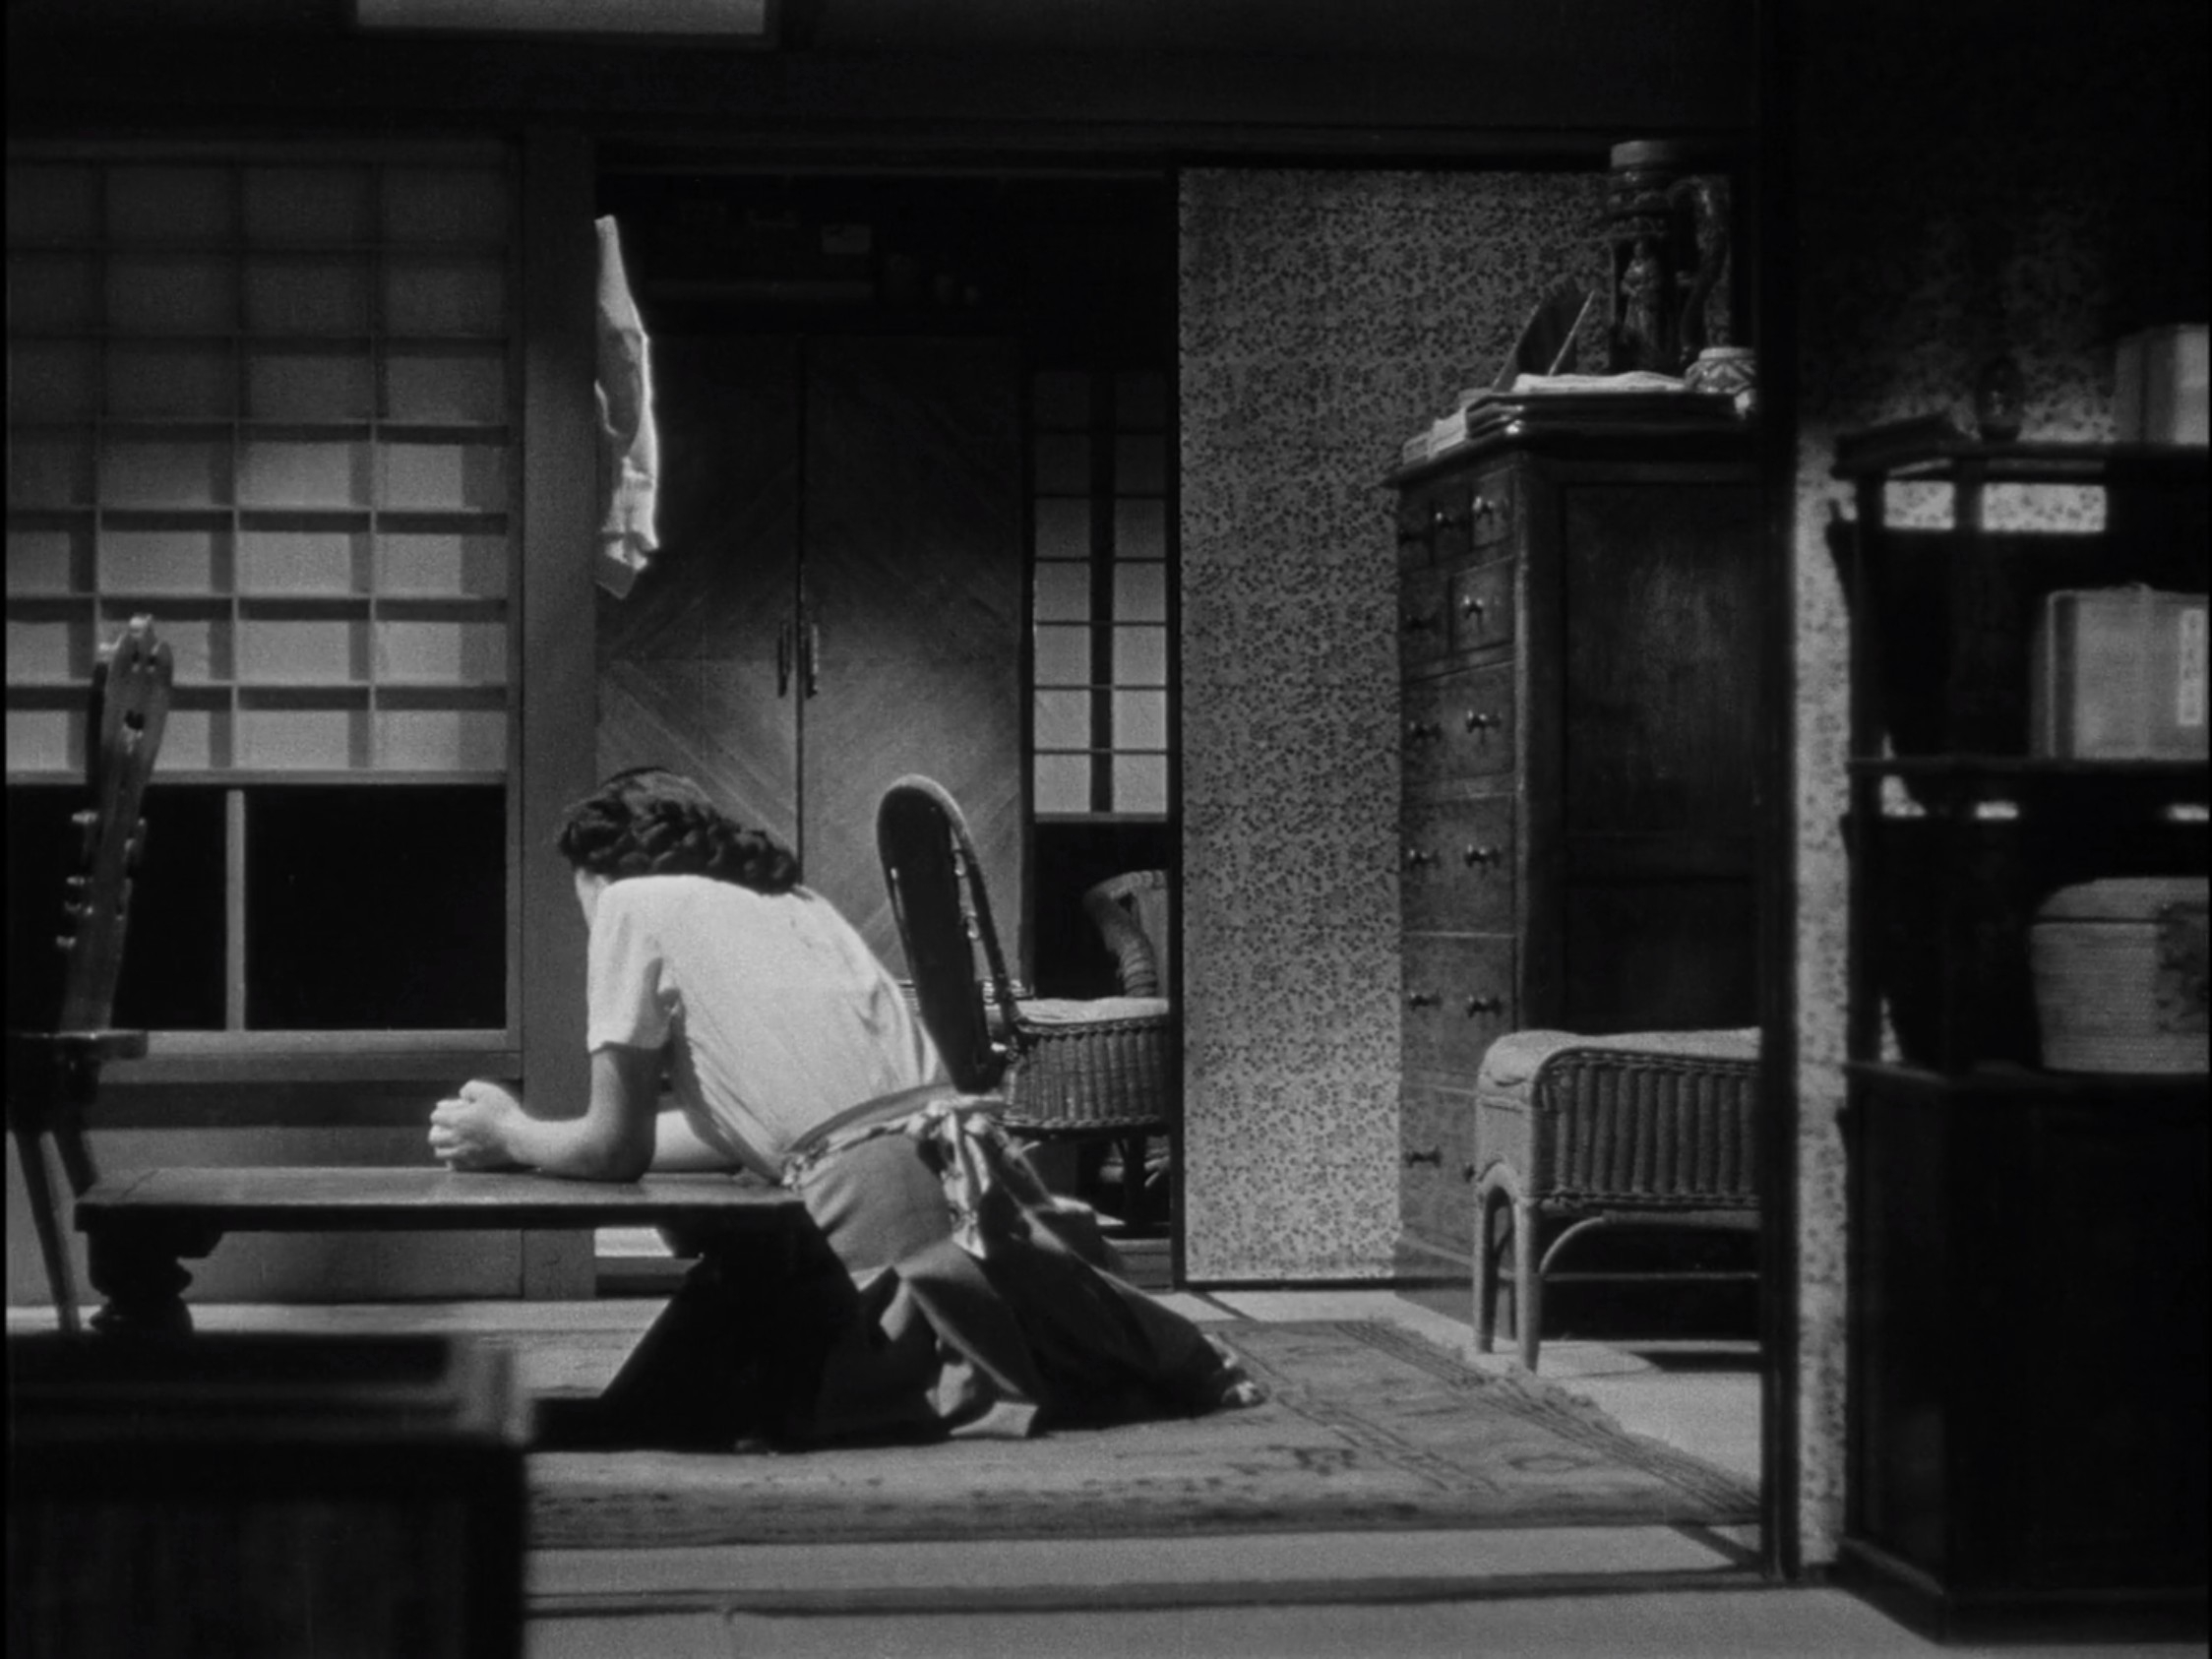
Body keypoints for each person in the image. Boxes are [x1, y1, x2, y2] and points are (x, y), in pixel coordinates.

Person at [428, 766, 1257, 1449]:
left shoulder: (629, 904)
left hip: (867, 1206)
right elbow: (747, 1127)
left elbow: (616, 1149)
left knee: (716, 1367)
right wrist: (525, 1138)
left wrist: (510, 1131)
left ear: (599, 868)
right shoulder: (798, 904)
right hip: (980, 1182)